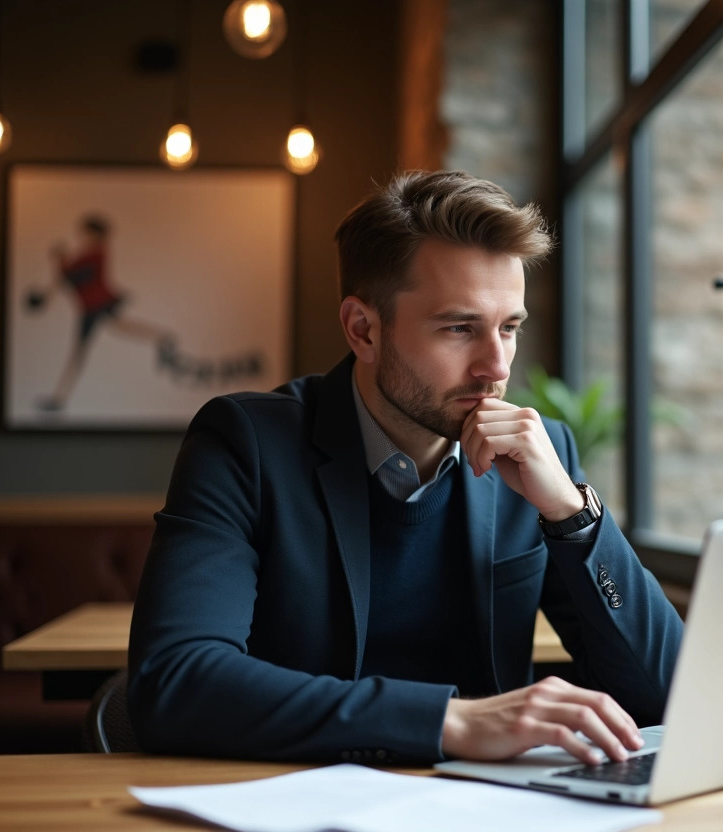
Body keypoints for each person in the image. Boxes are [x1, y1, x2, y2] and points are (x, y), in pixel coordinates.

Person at [128, 170, 684, 766]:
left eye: (509, 328)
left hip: (493, 814)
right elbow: (175, 683)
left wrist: (572, 518)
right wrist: (449, 721)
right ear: (363, 329)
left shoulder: (541, 452)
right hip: (300, 801)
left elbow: (670, 696)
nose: (495, 366)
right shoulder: (248, 444)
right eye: (458, 328)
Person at [28, 215, 174, 412]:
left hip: (95, 305)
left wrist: (60, 261)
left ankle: (59, 399)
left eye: (86, 231)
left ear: (95, 233)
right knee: (120, 328)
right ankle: (162, 337)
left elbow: (71, 275)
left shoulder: (95, 254)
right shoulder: (90, 254)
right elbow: (67, 277)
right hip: (94, 305)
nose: (82, 235)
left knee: (81, 350)